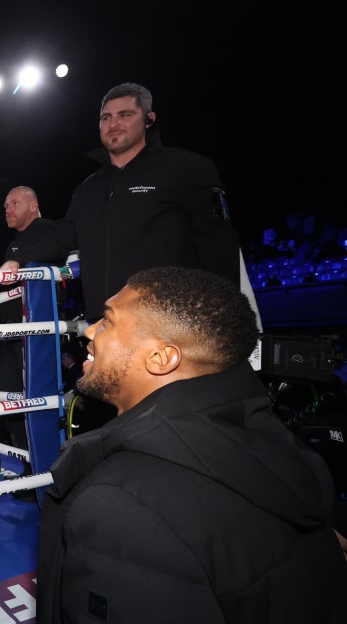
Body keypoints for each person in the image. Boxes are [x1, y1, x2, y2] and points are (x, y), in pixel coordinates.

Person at [37, 266, 347, 623]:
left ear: (161, 358)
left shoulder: (120, 507)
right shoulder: (274, 438)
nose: (89, 331)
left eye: (107, 321)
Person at [0, 82, 241, 322]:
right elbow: (62, 236)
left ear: (149, 119)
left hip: (169, 319)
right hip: (106, 323)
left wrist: (220, 315)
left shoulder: (187, 169)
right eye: (106, 118)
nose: (113, 124)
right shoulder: (88, 189)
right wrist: (18, 259)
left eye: (125, 115)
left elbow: (218, 245)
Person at [0, 187, 65, 490]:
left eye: (14, 203)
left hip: (37, 336)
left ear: (33, 204)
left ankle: (46, 471)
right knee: (13, 401)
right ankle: (31, 468)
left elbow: (53, 249)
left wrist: (18, 261)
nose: (8, 209)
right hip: (12, 336)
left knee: (36, 402)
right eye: (5, 205)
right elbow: (10, 285)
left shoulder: (48, 231)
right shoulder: (14, 244)